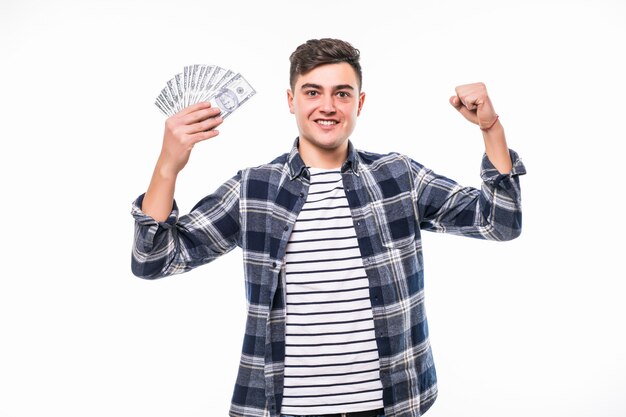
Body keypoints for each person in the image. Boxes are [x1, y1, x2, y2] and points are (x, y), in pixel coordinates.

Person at [131, 38, 525, 417]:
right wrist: (167, 165)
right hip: (285, 408)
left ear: (359, 103)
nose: (328, 106)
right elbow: (153, 259)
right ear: (291, 101)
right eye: (312, 92)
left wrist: (491, 129)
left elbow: (499, 223)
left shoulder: (397, 176)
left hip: (389, 404)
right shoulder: (254, 188)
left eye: (342, 93)